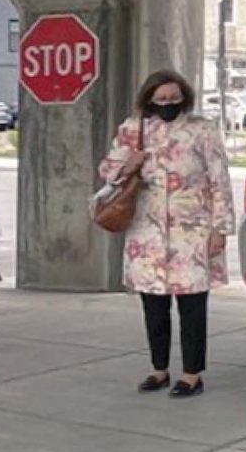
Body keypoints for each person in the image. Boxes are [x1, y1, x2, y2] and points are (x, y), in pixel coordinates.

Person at [99, 70, 235, 397]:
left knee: (192, 306)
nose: (167, 104)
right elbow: (107, 172)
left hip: (193, 229)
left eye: (174, 98)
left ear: (184, 97)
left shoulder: (201, 130)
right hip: (147, 230)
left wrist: (221, 228)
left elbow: (219, 179)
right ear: (148, 99)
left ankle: (191, 374)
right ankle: (158, 369)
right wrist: (128, 162)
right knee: (153, 305)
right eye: (160, 99)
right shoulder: (133, 129)